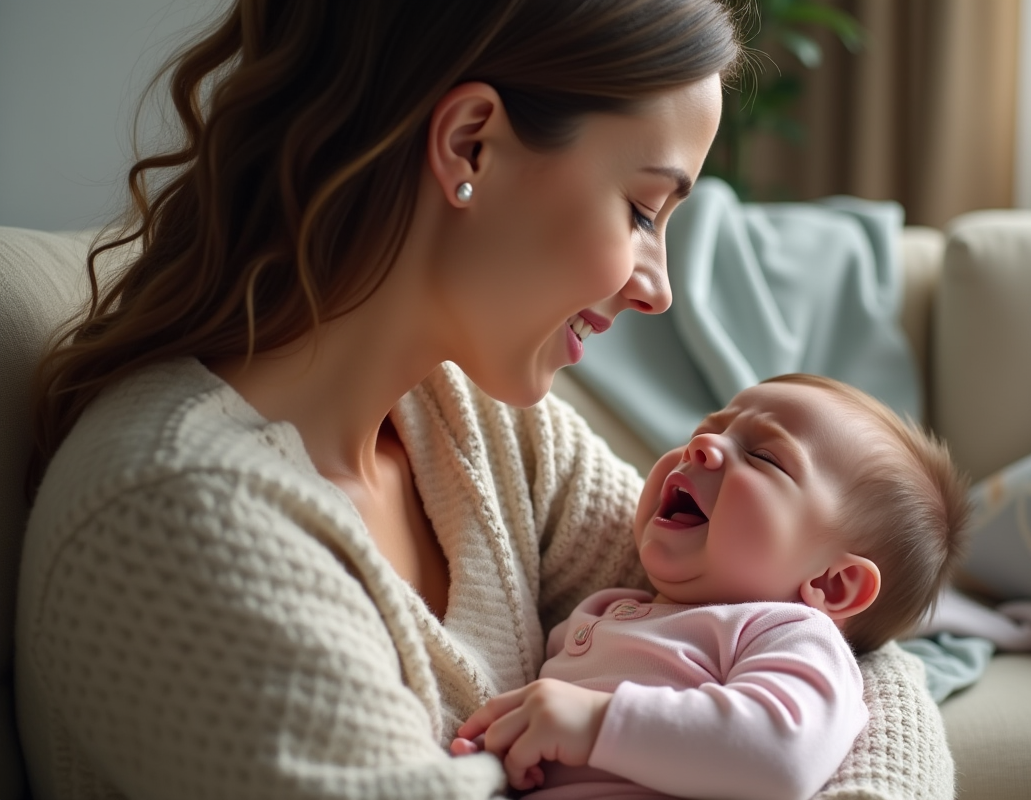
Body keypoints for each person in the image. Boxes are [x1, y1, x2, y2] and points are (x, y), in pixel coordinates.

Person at [13, 2, 957, 799]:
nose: (656, 286)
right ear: (472, 145)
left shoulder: (471, 418)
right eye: (640, 209)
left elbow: (833, 648)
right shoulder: (186, 522)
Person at [450, 374, 971, 799]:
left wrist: (595, 723)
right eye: (710, 427)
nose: (703, 446)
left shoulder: (786, 633)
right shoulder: (603, 610)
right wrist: (504, 748)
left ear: (832, 585)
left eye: (766, 457)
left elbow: (783, 752)